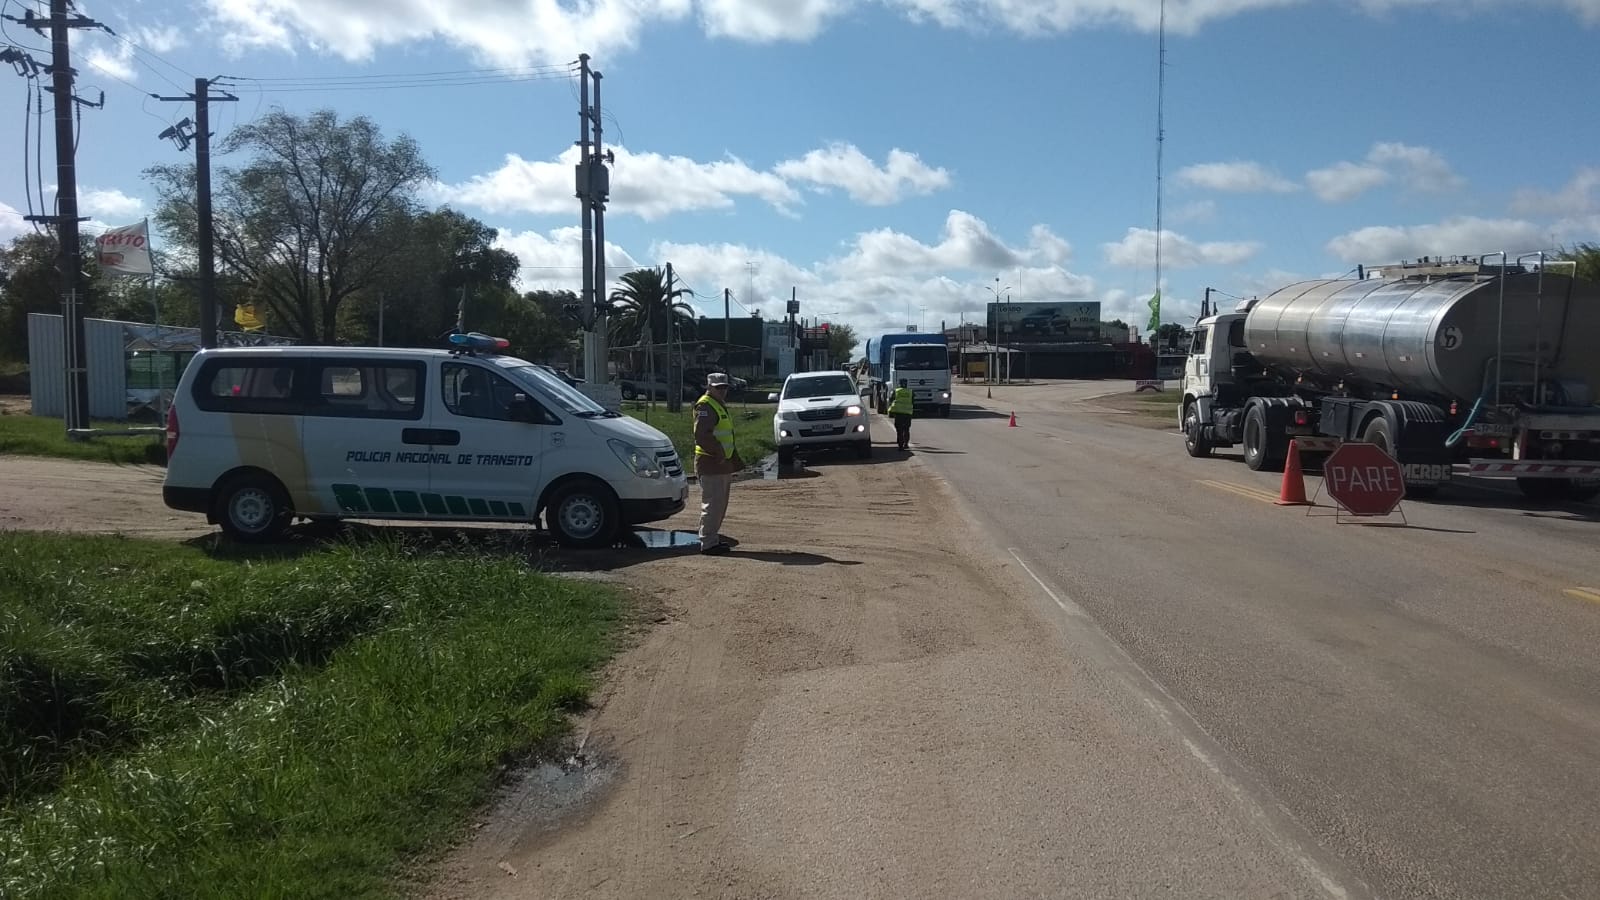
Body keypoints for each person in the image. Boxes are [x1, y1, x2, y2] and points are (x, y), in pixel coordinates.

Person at [693, 373, 741, 555]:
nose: (722, 390)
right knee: (712, 504)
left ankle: (712, 539)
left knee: (719, 504)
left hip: (721, 463)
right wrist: (719, 452)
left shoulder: (717, 404)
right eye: (718, 387)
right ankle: (708, 542)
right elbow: (702, 435)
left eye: (724, 387)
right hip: (710, 462)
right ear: (709, 387)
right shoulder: (705, 405)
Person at [889, 377, 915, 450]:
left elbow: (891, 399)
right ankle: (906, 444)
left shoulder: (896, 391)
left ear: (899, 384)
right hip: (908, 413)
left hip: (898, 413)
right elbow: (913, 401)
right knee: (906, 429)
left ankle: (900, 445)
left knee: (899, 430)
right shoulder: (911, 391)